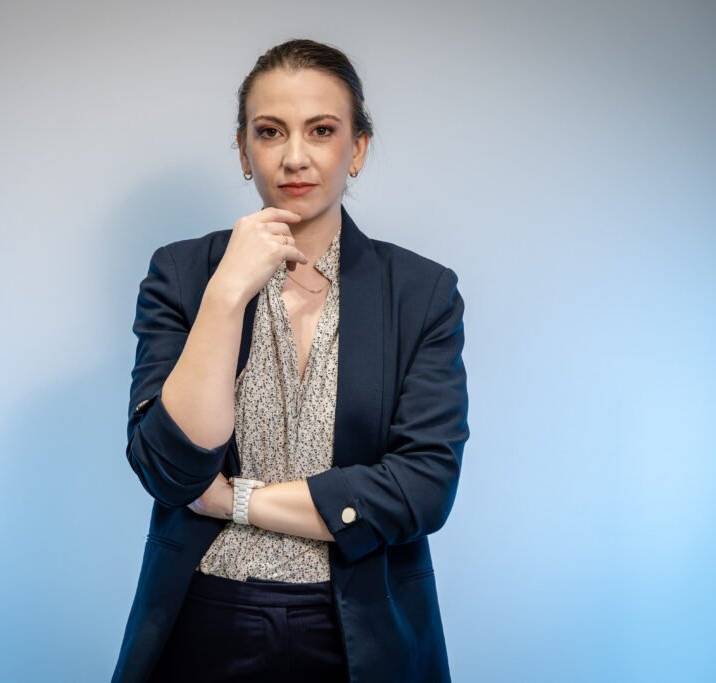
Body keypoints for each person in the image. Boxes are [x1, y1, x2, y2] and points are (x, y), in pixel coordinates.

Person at [112, 38, 469, 683]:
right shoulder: (183, 274)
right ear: (243, 150)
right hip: (203, 618)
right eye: (270, 132)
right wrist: (226, 294)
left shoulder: (421, 293)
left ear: (357, 148)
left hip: (364, 629)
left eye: (322, 130)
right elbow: (170, 470)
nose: (295, 156)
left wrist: (234, 501)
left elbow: (422, 490)